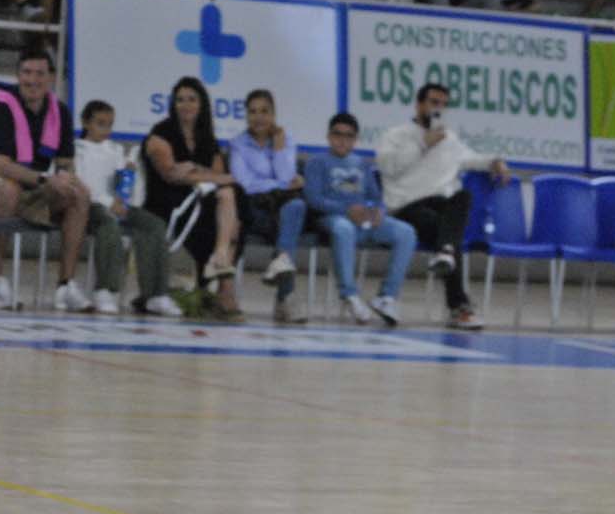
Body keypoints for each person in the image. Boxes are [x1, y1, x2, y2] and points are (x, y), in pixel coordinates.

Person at [375, 83, 509, 330]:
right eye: (434, 102)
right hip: (407, 208)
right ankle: (459, 307)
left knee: (462, 197)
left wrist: (495, 162)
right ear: (419, 104)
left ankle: (445, 252)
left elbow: (472, 158)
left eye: (443, 104)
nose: (438, 109)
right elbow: (388, 167)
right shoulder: (396, 135)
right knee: (448, 233)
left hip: (441, 206)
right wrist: (423, 144)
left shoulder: (449, 138)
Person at [0, 48, 94, 312]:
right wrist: (44, 179)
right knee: (9, 190)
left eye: (40, 74)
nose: (33, 80)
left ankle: (65, 285)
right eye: (27, 73)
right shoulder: (1, 107)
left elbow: (65, 163)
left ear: (50, 78)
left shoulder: (60, 112)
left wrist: (66, 178)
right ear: (17, 76)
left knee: (79, 194)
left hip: (36, 186)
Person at [305, 112, 418, 326]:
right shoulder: (317, 162)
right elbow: (313, 199)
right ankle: (350, 295)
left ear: (355, 139)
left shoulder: (361, 164)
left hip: (364, 221)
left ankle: (387, 297)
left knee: (406, 232)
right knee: (344, 228)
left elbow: (377, 197)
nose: (342, 140)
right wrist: (346, 210)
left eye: (348, 136)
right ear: (329, 136)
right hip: (334, 218)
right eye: (337, 134)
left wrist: (377, 211)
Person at [143, 76, 242, 318]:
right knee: (229, 211)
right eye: (180, 100)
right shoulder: (160, 134)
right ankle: (222, 286)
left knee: (233, 201)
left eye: (191, 99)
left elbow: (218, 177)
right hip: (167, 202)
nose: (185, 105)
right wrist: (208, 175)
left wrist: (193, 168)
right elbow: (170, 175)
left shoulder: (207, 137)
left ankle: (219, 263)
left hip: (201, 200)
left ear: (202, 104)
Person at [74, 99, 179, 316]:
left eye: (109, 124)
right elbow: (81, 184)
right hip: (89, 205)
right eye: (100, 124)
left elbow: (127, 187)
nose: (106, 130)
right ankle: (106, 290)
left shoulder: (116, 150)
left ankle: (156, 294)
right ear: (85, 123)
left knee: (154, 225)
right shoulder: (77, 150)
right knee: (108, 223)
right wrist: (109, 202)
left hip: (118, 205)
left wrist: (131, 174)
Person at [226, 89, 309, 324]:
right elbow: (245, 184)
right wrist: (279, 184)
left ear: (274, 114)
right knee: (289, 220)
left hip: (282, 207)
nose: (258, 117)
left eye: (264, 111)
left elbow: (286, 177)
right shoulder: (238, 145)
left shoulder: (286, 140)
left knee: (295, 206)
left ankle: (281, 262)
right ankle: (285, 299)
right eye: (253, 112)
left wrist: (279, 148)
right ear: (246, 115)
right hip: (254, 210)